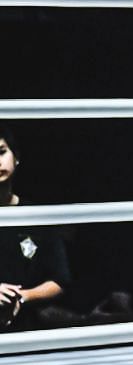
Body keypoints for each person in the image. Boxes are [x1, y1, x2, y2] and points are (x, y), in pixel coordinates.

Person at [0, 125, 72, 332]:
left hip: (29, 331)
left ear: (16, 158)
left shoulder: (37, 216)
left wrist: (22, 297)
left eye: (2, 152)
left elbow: (59, 279)